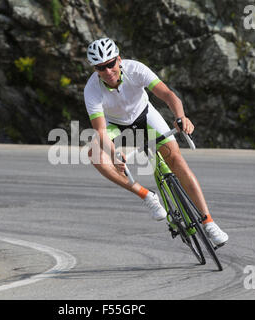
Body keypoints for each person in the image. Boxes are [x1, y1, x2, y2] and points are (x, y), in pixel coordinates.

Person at [84, 38, 228, 246]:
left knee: (176, 159)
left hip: (145, 115)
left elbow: (169, 95)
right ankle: (146, 195)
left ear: (119, 59)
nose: (107, 71)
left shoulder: (136, 69)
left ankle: (209, 222)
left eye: (111, 63)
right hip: (115, 124)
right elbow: (101, 130)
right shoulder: (92, 89)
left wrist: (181, 117)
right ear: (95, 69)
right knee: (95, 154)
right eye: (100, 67)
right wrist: (115, 154)